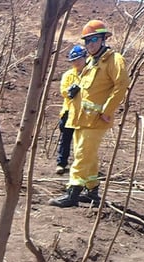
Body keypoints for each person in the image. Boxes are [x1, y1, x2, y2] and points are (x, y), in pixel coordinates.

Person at [49, 20, 129, 208]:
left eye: (94, 39)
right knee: (87, 155)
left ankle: (72, 193)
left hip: (97, 120)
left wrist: (108, 110)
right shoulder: (91, 63)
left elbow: (122, 85)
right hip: (80, 119)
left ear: (103, 39)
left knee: (82, 156)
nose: (90, 44)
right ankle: (92, 190)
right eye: (87, 41)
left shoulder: (114, 60)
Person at [55, 45, 87, 175]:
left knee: (82, 140)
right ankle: (61, 163)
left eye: (79, 59)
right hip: (69, 112)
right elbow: (63, 91)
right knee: (66, 138)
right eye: (74, 61)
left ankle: (80, 165)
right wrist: (71, 91)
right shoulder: (68, 75)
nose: (76, 63)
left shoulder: (91, 73)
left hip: (85, 112)